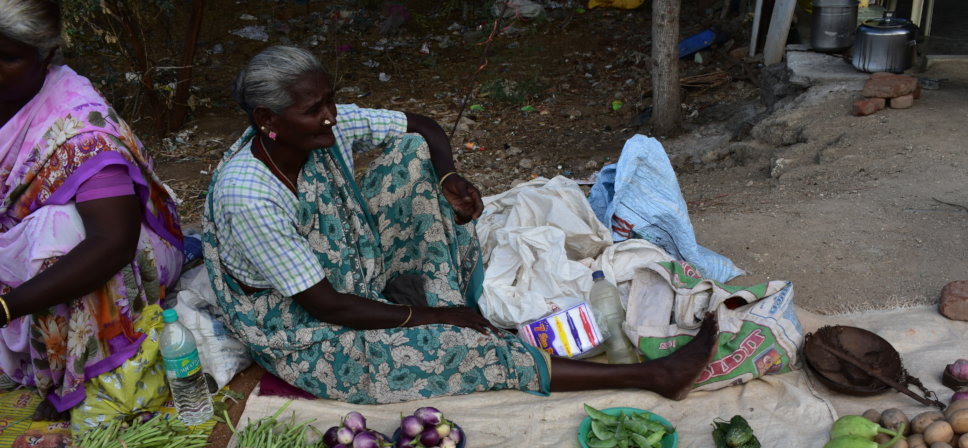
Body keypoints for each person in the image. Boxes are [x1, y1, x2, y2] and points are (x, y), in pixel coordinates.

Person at [203, 45, 717, 405]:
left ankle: (436, 300)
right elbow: (326, 305)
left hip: (350, 271)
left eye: (330, 100)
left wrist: (449, 176)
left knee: (411, 154)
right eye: (315, 109)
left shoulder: (322, 130)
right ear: (268, 120)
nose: (332, 116)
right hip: (310, 330)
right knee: (458, 349)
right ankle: (653, 376)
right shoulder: (250, 196)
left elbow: (419, 125)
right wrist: (442, 319)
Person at [0, 0, 184, 420]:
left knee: (57, 228)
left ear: (45, 55)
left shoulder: (79, 125)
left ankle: (73, 370)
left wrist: (6, 308)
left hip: (114, 259)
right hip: (17, 253)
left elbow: (113, 243)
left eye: (7, 58)